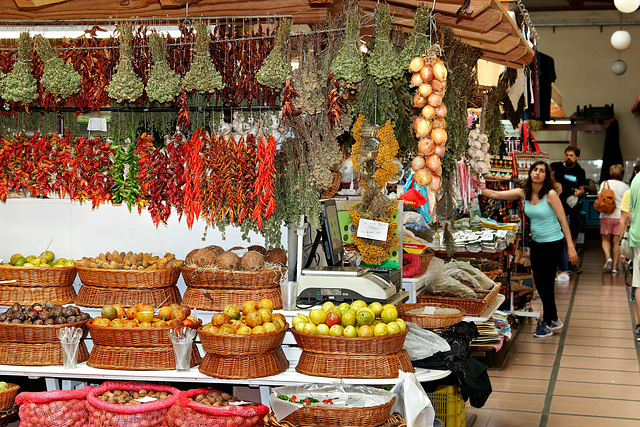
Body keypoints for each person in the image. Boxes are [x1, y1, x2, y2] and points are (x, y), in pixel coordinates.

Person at [480, 161, 578, 337]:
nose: (537, 173)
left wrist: (571, 247)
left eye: (542, 171)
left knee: (546, 283)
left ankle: (547, 323)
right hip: (538, 244)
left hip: (554, 243)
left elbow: (563, 221)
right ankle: (554, 318)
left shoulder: (550, 195)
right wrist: (474, 187)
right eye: (535, 170)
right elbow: (494, 194)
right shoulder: (523, 192)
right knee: (540, 283)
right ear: (530, 173)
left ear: (546, 176)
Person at [555, 146, 586, 274]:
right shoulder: (558, 168)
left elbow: (582, 189)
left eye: (571, 155)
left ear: (577, 157)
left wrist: (578, 193)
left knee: (572, 235)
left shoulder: (580, 171)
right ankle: (558, 262)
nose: (568, 157)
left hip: (573, 207)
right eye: (567, 154)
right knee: (558, 234)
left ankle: (570, 261)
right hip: (559, 206)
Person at [619, 159, 640, 340]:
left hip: (636, 237)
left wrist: (621, 247)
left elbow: (627, 216)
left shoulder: (634, 183)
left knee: (638, 283)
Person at [599, 164, 629, 273]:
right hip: (619, 216)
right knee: (617, 241)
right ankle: (615, 267)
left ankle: (608, 258)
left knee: (605, 239)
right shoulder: (625, 186)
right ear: (621, 174)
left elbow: (600, 197)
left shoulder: (605, 183)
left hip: (606, 215)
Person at [550, 162, 569, 282]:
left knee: (560, 245)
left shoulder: (557, 185)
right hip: (560, 217)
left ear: (554, 172)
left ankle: (564, 270)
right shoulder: (559, 184)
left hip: (559, 218)